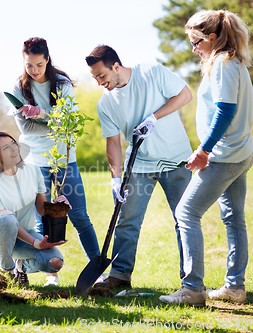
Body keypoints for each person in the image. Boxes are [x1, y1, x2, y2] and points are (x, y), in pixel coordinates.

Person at [160, 10, 253, 307]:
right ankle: (234, 288)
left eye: (196, 41)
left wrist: (204, 150)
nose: (193, 48)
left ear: (212, 37)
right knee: (233, 218)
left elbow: (226, 112)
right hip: (240, 152)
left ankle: (192, 289)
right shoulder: (233, 61)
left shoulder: (224, 64)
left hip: (224, 156)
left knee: (186, 213)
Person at [85, 45, 193, 289]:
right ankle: (120, 276)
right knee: (127, 220)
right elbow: (113, 143)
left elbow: (185, 95)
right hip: (139, 165)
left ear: (116, 66)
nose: (99, 82)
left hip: (176, 159)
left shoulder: (151, 73)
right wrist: (115, 179)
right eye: (95, 78)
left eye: (101, 76)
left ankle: (191, 280)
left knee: (184, 220)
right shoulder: (106, 104)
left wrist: (154, 117)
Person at [10, 37, 100, 287]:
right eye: (29, 65)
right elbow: (26, 130)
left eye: (39, 64)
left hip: (64, 159)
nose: (34, 70)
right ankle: (52, 274)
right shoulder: (18, 87)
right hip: (34, 162)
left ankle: (97, 269)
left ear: (47, 59)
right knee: (43, 218)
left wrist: (40, 113)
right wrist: (52, 120)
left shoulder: (61, 83)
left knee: (79, 215)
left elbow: (68, 124)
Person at [0, 132, 69, 286]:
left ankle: (19, 266)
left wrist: (57, 207)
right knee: (7, 218)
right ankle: (8, 271)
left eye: (14, 143)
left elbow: (41, 209)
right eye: (6, 148)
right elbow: (6, 220)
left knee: (55, 262)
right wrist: (34, 242)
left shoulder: (33, 170)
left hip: (24, 235)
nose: (14, 149)